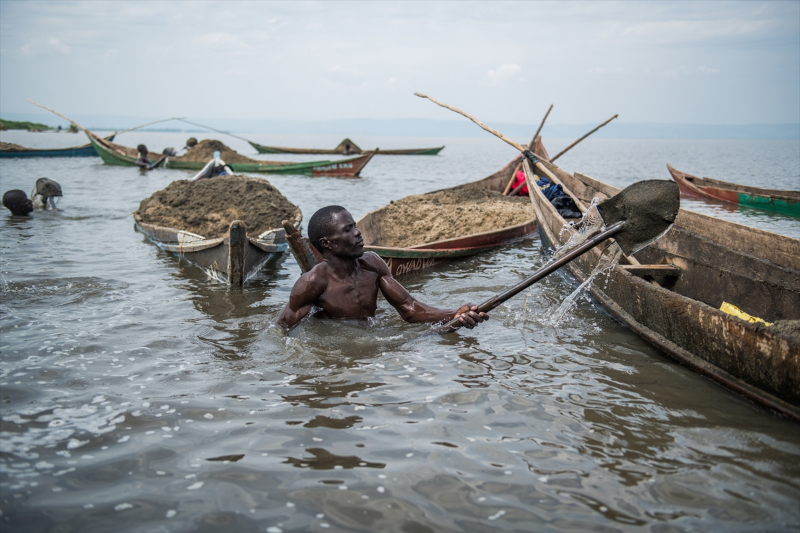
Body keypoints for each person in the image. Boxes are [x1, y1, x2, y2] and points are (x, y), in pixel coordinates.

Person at [278, 205, 488, 331]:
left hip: (371, 334)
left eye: (355, 226)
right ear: (326, 243)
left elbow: (410, 309)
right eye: (348, 229)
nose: (358, 233)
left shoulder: (372, 263)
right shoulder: (312, 282)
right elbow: (281, 331)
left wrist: (454, 313)